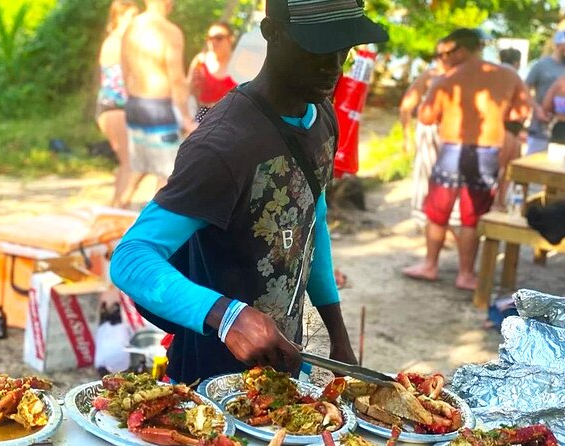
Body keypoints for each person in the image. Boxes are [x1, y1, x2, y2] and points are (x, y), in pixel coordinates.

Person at [110, 0, 388, 383]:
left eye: (343, 49)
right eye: (317, 48)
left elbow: (313, 223)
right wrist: (227, 315)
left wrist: (339, 338)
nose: (332, 66)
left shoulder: (323, 115)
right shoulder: (223, 145)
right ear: (271, 33)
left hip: (286, 366)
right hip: (206, 377)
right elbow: (130, 258)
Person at [402, 29, 530, 291]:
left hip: (452, 149)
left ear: (461, 50)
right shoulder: (507, 75)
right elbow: (522, 110)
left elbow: (425, 117)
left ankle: (430, 265)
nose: (443, 58)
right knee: (473, 217)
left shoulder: (446, 79)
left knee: (438, 211)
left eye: (446, 53)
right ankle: (465, 274)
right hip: (487, 152)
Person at [120, 0, 196, 206]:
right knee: (168, 174)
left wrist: (132, 94)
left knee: (139, 166)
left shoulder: (132, 27)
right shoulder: (169, 32)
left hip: (135, 104)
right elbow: (177, 79)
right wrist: (187, 119)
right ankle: (152, 231)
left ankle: (116, 207)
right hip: (159, 109)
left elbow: (124, 67)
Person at [400, 41, 460, 228]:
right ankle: (421, 216)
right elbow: (406, 106)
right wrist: (406, 137)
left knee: (451, 175)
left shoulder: (458, 76)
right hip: (429, 129)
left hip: (452, 132)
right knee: (424, 171)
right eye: (442, 54)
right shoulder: (429, 76)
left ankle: (448, 217)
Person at [96, 0, 139, 208]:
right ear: (118, 18)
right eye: (131, 17)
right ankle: (118, 209)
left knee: (127, 163)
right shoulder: (117, 42)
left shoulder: (119, 41)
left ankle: (116, 207)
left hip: (115, 108)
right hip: (114, 108)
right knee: (130, 163)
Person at [524, 30, 565, 155]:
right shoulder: (541, 65)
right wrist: (536, 108)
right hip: (539, 128)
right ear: (558, 45)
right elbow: (524, 89)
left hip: (560, 128)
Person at [496, 48, 527, 210]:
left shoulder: (493, 74)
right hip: (509, 127)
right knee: (505, 171)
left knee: (500, 170)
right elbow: (522, 107)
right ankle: (499, 203)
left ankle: (497, 203)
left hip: (499, 125)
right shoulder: (514, 76)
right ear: (517, 62)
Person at [188, 21, 238, 122]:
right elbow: (188, 90)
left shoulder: (240, 63)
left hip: (231, 117)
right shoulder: (201, 61)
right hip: (203, 114)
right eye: (209, 38)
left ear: (230, 39)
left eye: (218, 38)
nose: (213, 42)